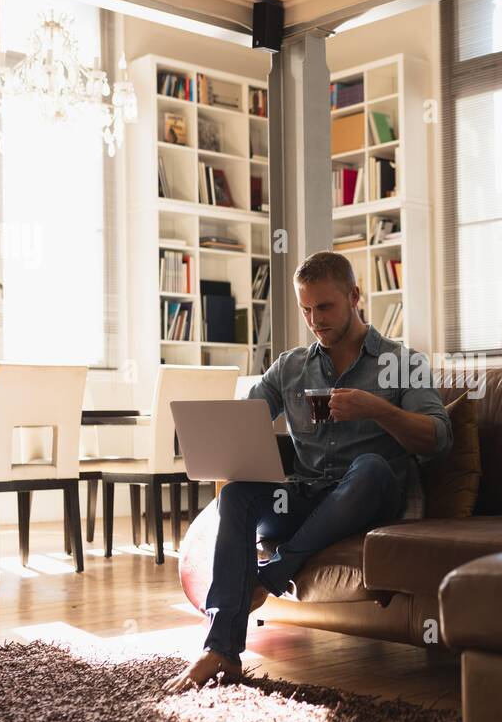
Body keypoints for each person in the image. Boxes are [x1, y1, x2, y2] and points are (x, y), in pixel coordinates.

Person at [163, 251, 452, 693]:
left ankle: (273, 576)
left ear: (355, 296)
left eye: (325, 306)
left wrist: (374, 409)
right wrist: (222, 442)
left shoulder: (402, 362)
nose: (315, 319)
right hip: (308, 495)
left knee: (372, 468)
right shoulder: (290, 367)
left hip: (369, 496)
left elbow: (437, 438)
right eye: (306, 309)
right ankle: (221, 647)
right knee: (238, 495)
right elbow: (246, 422)